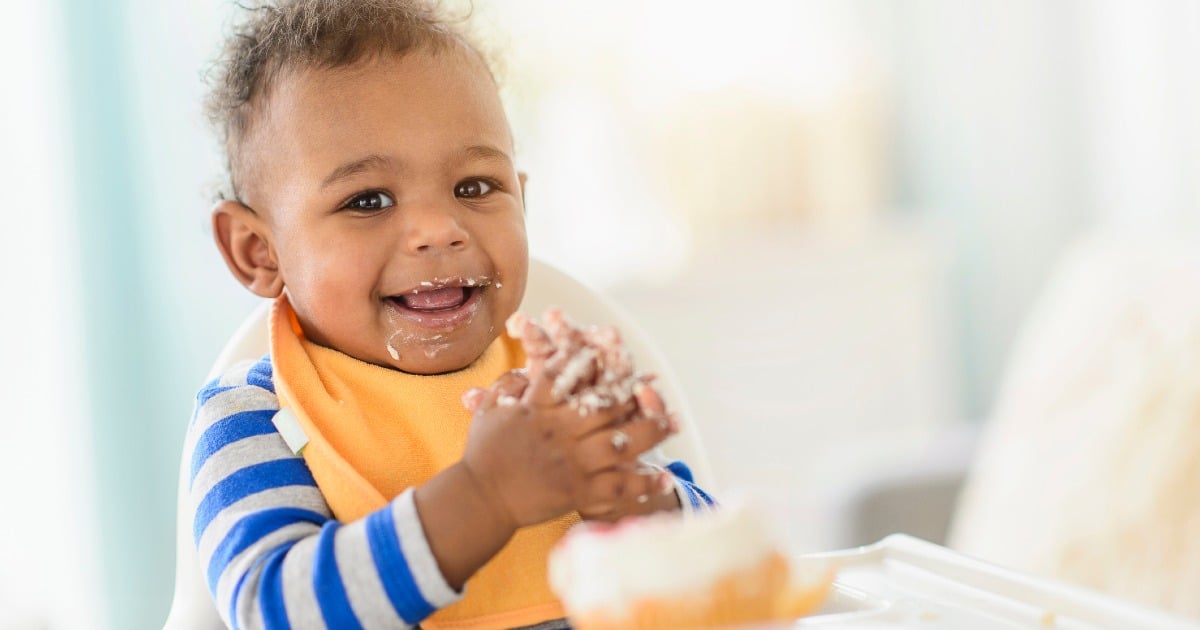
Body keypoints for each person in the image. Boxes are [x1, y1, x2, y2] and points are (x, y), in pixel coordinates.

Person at [186, 1, 715, 628]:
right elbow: (273, 608)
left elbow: (719, 558)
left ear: (522, 198)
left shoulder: (550, 382)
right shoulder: (254, 419)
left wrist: (635, 500)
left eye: (474, 187)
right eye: (368, 199)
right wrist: (484, 496)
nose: (440, 229)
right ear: (259, 250)